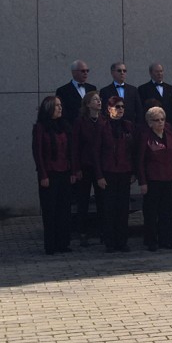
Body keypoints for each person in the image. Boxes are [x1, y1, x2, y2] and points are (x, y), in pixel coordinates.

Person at [32, 95, 78, 256]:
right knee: (50, 209)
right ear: (49, 108)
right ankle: (50, 244)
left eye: (60, 105)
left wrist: (73, 171)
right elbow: (38, 153)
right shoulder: (40, 127)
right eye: (56, 106)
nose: (60, 108)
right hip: (49, 174)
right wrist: (43, 175)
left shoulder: (65, 126)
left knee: (64, 209)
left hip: (64, 171)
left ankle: (63, 242)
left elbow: (71, 151)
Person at [138, 106, 172, 251]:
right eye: (156, 120)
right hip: (152, 178)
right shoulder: (145, 136)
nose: (160, 123)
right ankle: (150, 240)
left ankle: (167, 240)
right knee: (151, 211)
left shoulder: (169, 133)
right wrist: (142, 182)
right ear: (150, 122)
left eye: (162, 119)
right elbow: (140, 160)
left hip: (168, 176)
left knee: (167, 211)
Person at [96, 96, 135, 253]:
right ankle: (110, 241)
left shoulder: (128, 126)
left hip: (124, 171)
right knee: (109, 208)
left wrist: (134, 172)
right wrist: (99, 175)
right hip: (108, 171)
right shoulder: (102, 127)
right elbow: (96, 152)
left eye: (122, 107)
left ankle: (122, 241)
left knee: (123, 208)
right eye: (117, 107)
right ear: (109, 109)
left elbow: (133, 151)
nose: (120, 110)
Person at [72, 91, 105, 246]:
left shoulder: (103, 121)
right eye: (95, 100)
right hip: (85, 166)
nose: (98, 102)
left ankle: (102, 230)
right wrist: (76, 168)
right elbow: (75, 146)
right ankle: (82, 231)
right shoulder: (80, 122)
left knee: (102, 200)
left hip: (100, 167)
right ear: (87, 104)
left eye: (99, 100)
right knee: (83, 201)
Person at [138, 63, 172, 129]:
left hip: (168, 125)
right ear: (150, 73)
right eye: (156, 71)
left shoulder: (170, 88)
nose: (159, 74)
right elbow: (142, 109)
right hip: (151, 125)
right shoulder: (143, 89)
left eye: (161, 71)